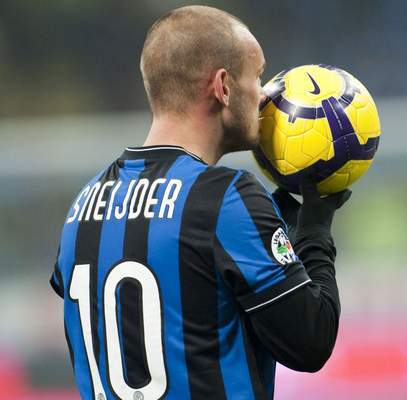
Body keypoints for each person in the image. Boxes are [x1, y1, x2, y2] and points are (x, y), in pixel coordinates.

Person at [50, 5, 350, 400]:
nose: (263, 95)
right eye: (257, 75)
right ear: (222, 86)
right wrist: (313, 232)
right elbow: (310, 343)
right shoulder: (226, 198)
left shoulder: (82, 207)